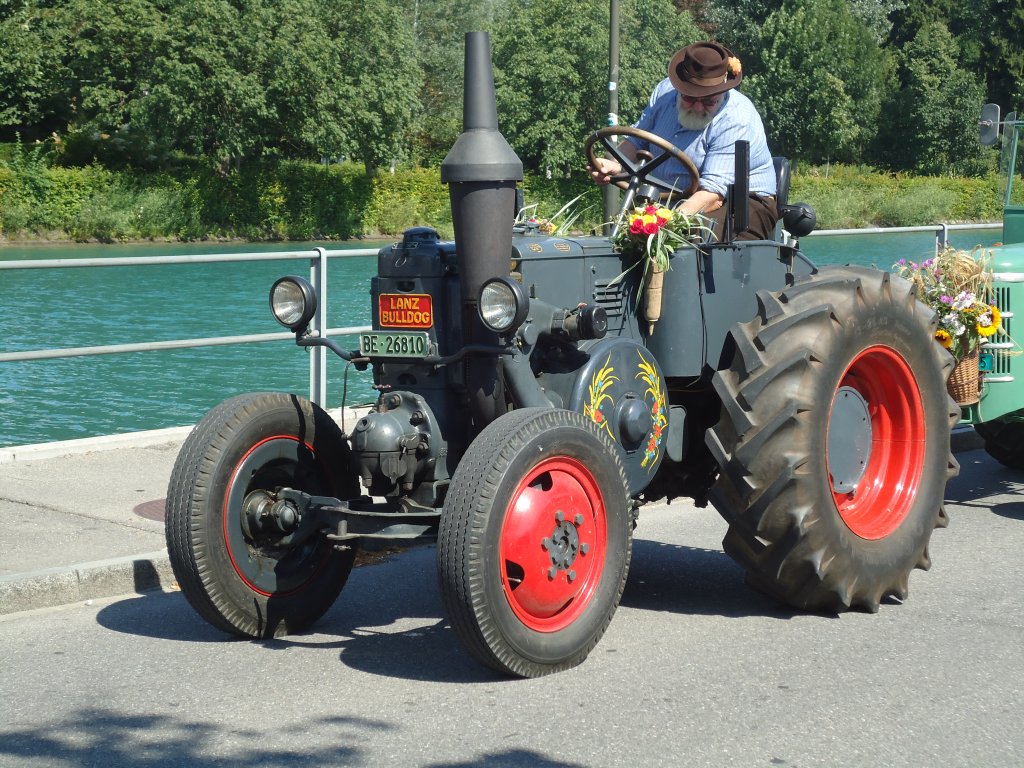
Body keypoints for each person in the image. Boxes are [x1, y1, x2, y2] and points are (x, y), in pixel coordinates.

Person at [590, 41, 778, 241]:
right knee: (624, 238)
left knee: (690, 240)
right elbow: (637, 140)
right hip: (671, 197)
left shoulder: (736, 119)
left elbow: (713, 194)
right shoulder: (664, 93)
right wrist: (615, 164)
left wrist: (663, 226)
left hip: (739, 202)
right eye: (689, 98)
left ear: (723, 92)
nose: (697, 107)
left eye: (708, 101)